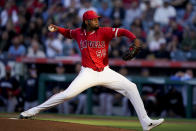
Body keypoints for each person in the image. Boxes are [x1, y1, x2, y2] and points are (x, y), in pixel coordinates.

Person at [20, 10, 164, 131]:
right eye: (94, 20)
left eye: (97, 19)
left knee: (131, 87)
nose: (97, 21)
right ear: (86, 22)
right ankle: (32, 111)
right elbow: (68, 33)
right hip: (88, 72)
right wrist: (58, 29)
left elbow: (123, 31)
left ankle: (146, 122)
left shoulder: (104, 31)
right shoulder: (78, 33)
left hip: (105, 71)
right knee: (68, 95)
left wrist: (134, 38)